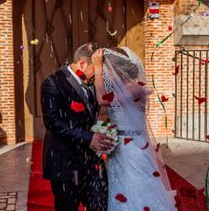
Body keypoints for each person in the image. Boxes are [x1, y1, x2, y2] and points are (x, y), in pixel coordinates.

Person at [91, 46, 178, 210]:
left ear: (117, 69)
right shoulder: (120, 89)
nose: (105, 73)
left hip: (133, 148)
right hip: (119, 147)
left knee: (137, 188)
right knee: (121, 188)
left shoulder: (136, 88)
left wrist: (96, 67)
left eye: (106, 69)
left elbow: (102, 99)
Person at [40, 43, 114, 211]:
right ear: (82, 64)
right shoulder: (52, 83)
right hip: (65, 164)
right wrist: (89, 138)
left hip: (91, 163)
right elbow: (53, 123)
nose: (97, 73)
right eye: (95, 68)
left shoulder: (92, 82)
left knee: (100, 205)